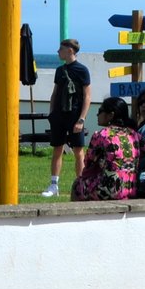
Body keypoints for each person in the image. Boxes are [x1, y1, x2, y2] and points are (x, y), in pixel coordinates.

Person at [41, 38, 91, 197]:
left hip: (75, 115)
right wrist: (51, 113)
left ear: (70, 51)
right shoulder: (59, 70)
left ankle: (80, 185)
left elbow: (87, 96)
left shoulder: (82, 70)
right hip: (59, 116)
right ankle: (54, 185)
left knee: (78, 151)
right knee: (57, 149)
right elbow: (55, 93)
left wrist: (81, 119)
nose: (58, 52)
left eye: (61, 49)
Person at [71, 97, 141, 201]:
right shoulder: (134, 134)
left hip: (109, 189)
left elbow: (88, 162)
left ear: (111, 115)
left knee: (77, 185)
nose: (97, 115)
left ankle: (79, 216)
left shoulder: (101, 135)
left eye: (100, 111)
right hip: (131, 188)